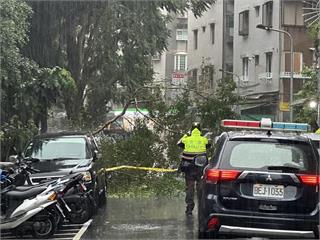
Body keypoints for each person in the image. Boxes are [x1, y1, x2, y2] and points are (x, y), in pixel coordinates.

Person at [177, 122, 211, 216]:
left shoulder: (186, 139)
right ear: (200, 130)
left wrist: (186, 134)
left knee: (190, 188)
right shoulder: (204, 139)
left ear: (191, 130)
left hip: (188, 168)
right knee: (201, 188)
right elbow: (209, 145)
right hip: (200, 168)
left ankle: (189, 208)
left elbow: (179, 143)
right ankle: (201, 207)